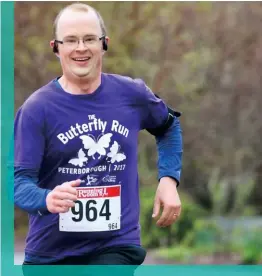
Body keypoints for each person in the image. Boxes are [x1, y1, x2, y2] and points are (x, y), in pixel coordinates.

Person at [13, 2, 183, 274]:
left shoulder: (132, 95)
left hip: (115, 246)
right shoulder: (37, 109)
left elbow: (168, 127)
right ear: (55, 47)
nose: (81, 48)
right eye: (70, 40)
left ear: (104, 44)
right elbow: (18, 182)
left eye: (89, 39)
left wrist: (168, 179)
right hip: (49, 254)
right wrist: (46, 199)